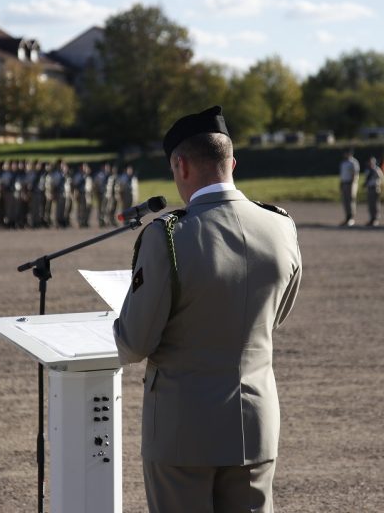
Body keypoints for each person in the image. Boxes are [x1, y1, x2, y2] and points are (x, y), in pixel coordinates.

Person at [113, 105, 302, 513]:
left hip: (184, 433)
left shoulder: (168, 236)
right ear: (232, 162)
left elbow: (133, 344)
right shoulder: (281, 226)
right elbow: (276, 315)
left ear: (180, 166)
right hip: (255, 423)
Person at [338, 149, 360, 226]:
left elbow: (355, 174)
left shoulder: (353, 162)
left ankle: (351, 218)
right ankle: (347, 217)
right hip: (344, 183)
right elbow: (342, 175)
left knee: (351, 200)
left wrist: (352, 184)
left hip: (351, 183)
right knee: (345, 201)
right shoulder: (343, 163)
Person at [364, 156, 383, 226]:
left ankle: (376, 219)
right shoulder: (367, 170)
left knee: (375, 204)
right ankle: (371, 218)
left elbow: (381, 179)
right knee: (370, 205)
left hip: (375, 188)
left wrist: (381, 189)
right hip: (369, 188)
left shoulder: (377, 169)